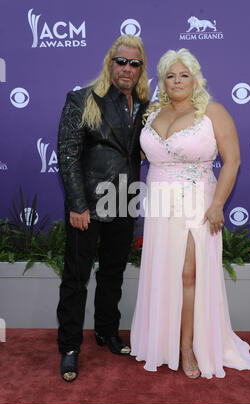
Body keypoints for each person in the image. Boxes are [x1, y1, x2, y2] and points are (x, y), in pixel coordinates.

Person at [130, 48, 250, 379]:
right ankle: (162, 341)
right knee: (163, 273)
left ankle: (188, 346)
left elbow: (232, 161)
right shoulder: (150, 114)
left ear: (195, 79)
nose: (177, 81)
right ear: (162, 81)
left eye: (183, 75)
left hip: (198, 204)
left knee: (189, 274)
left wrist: (217, 203)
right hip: (160, 205)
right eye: (170, 75)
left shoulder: (213, 112)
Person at [56, 35, 149, 382]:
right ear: (110, 62)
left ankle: (107, 331)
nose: (127, 68)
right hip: (89, 206)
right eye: (121, 61)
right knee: (76, 278)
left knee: (113, 273)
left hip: (124, 201)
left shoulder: (143, 105)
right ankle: (69, 348)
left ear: (141, 68)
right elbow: (67, 154)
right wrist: (78, 204)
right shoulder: (82, 99)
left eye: (134, 63)